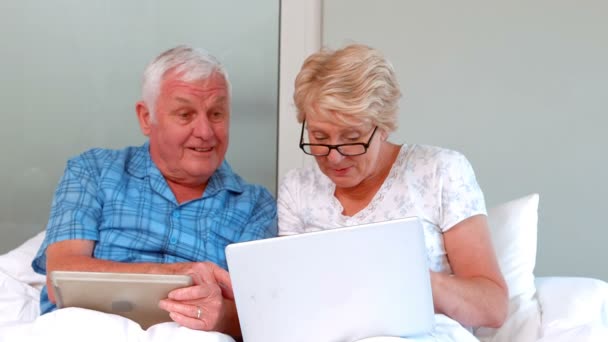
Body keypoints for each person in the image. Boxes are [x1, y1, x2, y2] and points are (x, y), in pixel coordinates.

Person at [31, 45, 277, 338]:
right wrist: (176, 275)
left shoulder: (255, 205)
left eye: (216, 114)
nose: (205, 132)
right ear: (146, 118)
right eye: (185, 115)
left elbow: (259, 316)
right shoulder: (93, 171)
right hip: (90, 327)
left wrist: (221, 315)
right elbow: (62, 277)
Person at [277, 44, 508, 339]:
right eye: (319, 137)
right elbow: (289, 301)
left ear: (383, 127)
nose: (334, 156)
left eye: (351, 138)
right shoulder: (298, 189)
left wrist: (414, 280)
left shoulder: (440, 171)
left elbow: (493, 306)